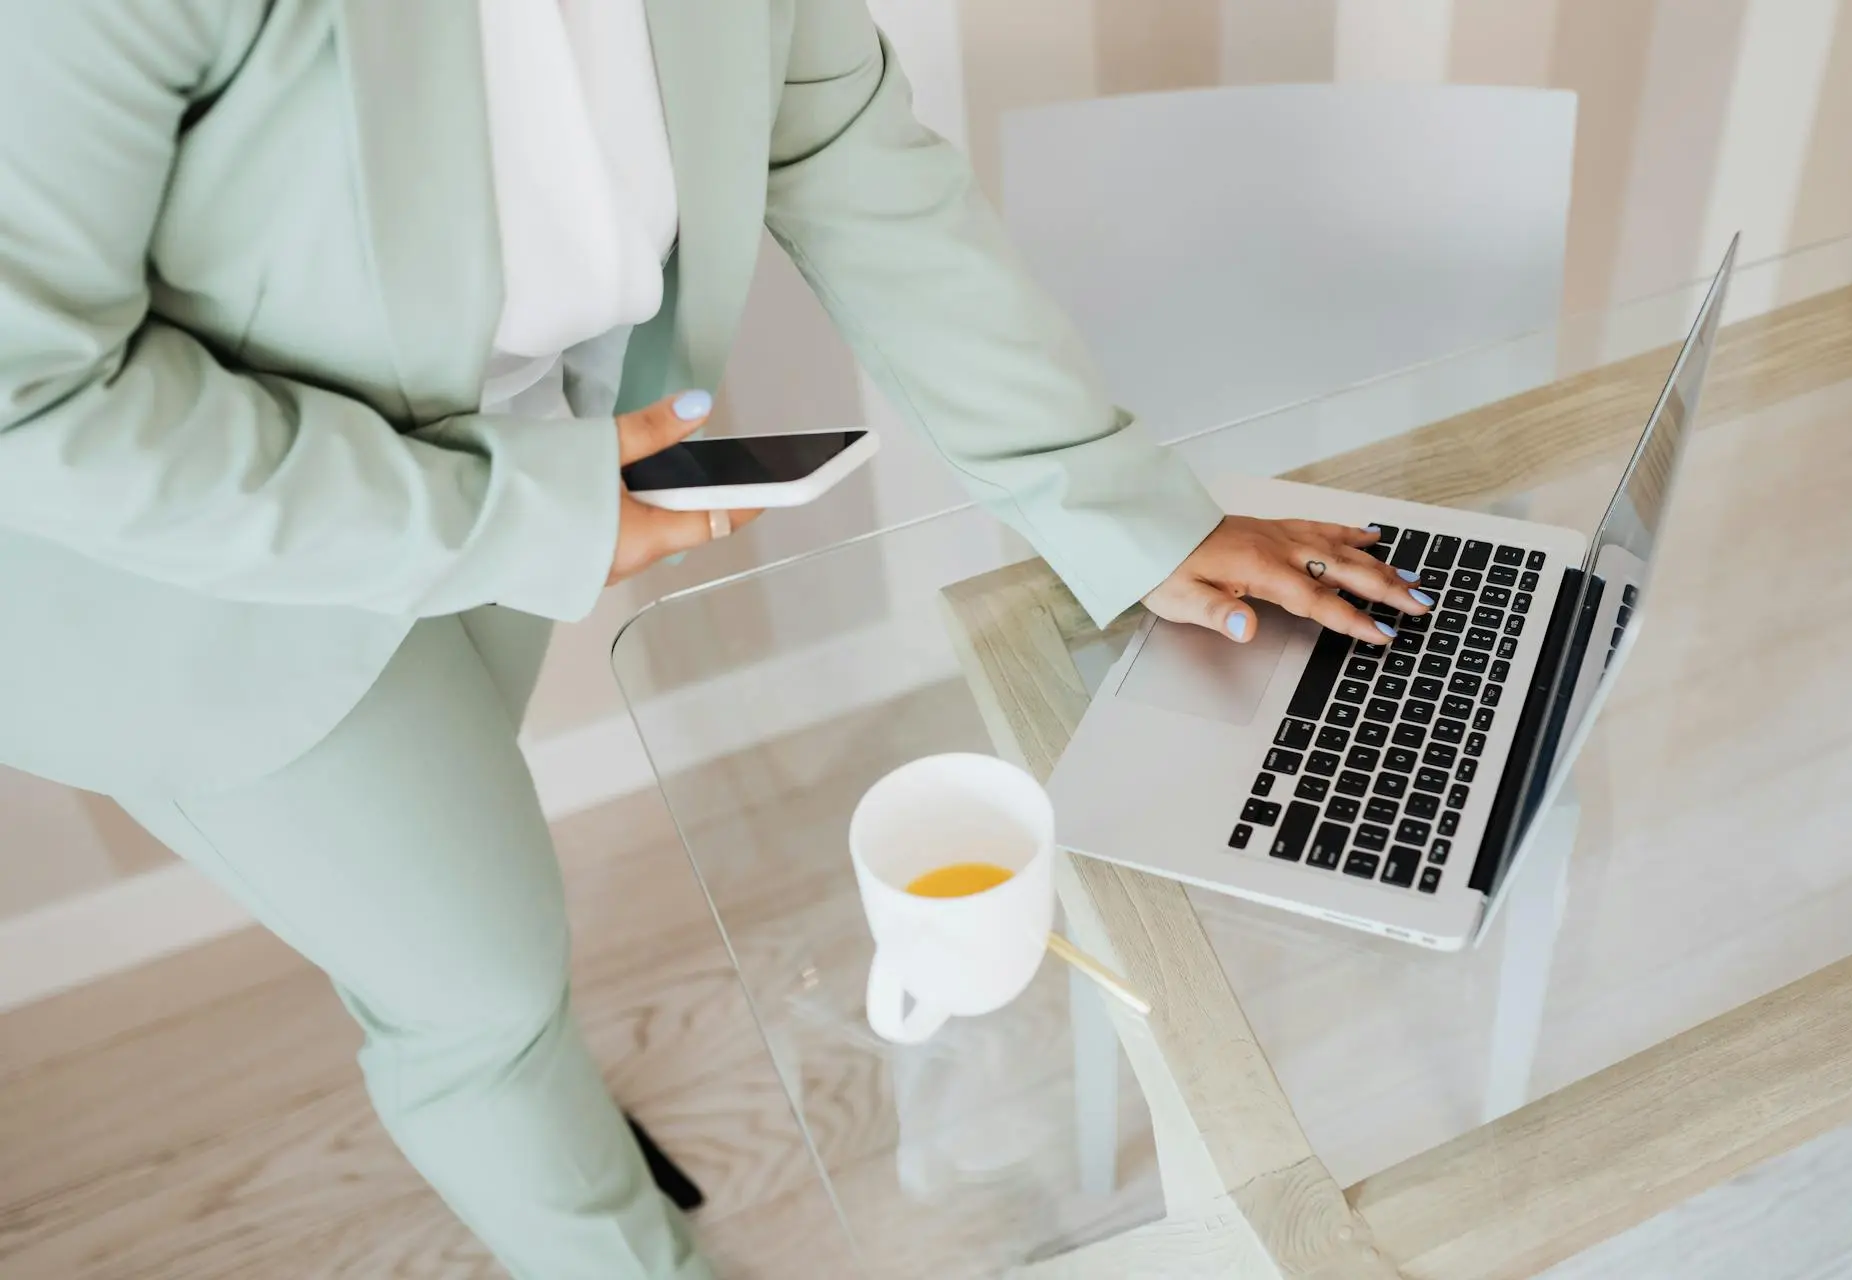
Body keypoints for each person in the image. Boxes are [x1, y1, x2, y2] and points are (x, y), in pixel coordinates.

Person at [0, 2, 1433, 1276]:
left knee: (471, 874)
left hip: (526, 463)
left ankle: (550, 1099)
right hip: (191, 588)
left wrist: (1131, 513)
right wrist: (513, 511)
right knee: (479, 999)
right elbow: (30, 401)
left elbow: (854, 162)